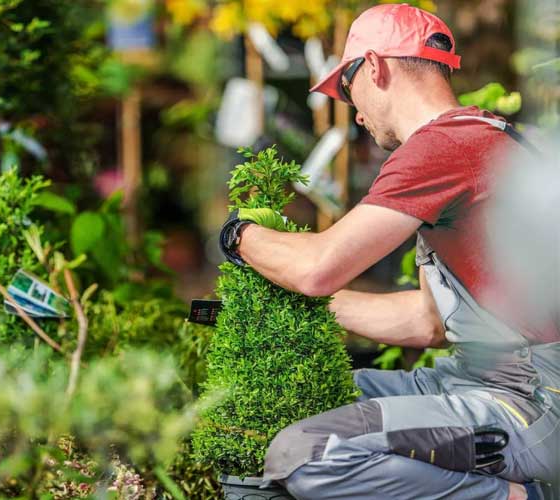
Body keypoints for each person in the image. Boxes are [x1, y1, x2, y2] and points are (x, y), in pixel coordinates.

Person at [219, 4, 559, 500]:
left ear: (375, 67)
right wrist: (291, 309)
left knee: (313, 453)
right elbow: (428, 323)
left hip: (530, 401)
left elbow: (317, 268)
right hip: (475, 379)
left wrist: (238, 235)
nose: (353, 111)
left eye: (348, 88)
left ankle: (519, 498)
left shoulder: (444, 146)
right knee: (271, 409)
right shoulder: (474, 139)